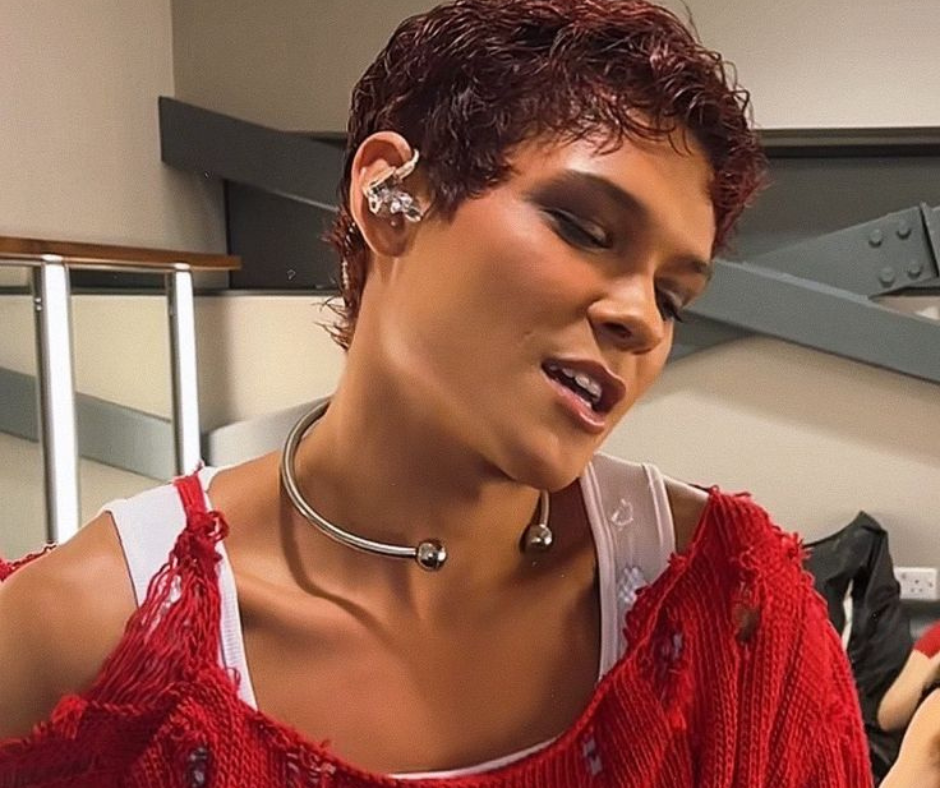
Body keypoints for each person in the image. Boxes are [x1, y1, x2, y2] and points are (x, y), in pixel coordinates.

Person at [0, 0, 875, 785]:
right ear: (393, 196)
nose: (641, 319)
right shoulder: (82, 638)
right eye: (582, 227)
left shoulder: (728, 616)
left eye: (673, 296)